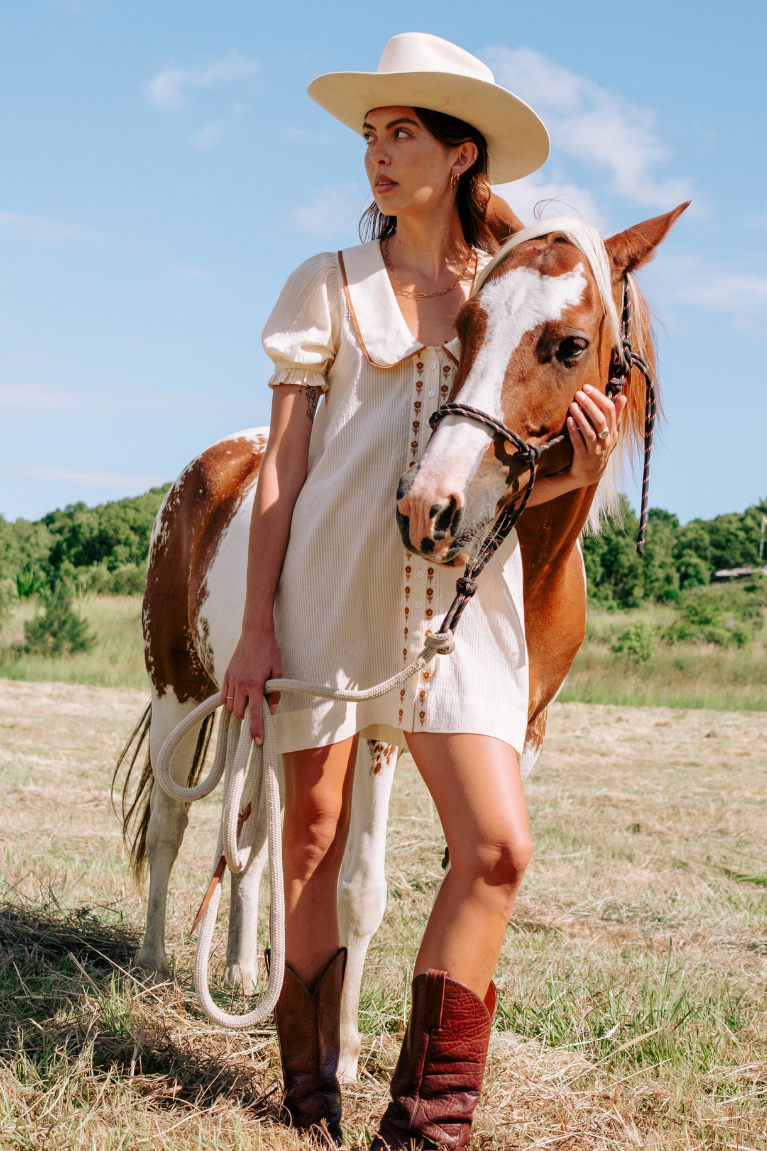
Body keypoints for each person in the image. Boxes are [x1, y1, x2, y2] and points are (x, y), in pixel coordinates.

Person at [222, 32, 625, 1150]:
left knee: (494, 844)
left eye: (402, 135)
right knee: (310, 832)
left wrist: (583, 464)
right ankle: (309, 1095)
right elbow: (283, 474)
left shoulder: (511, 289)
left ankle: (424, 1121)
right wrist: (255, 623)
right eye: (371, 134)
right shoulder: (326, 283)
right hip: (330, 582)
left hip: (463, 605)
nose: (377, 156)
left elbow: (524, 469)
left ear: (460, 156)